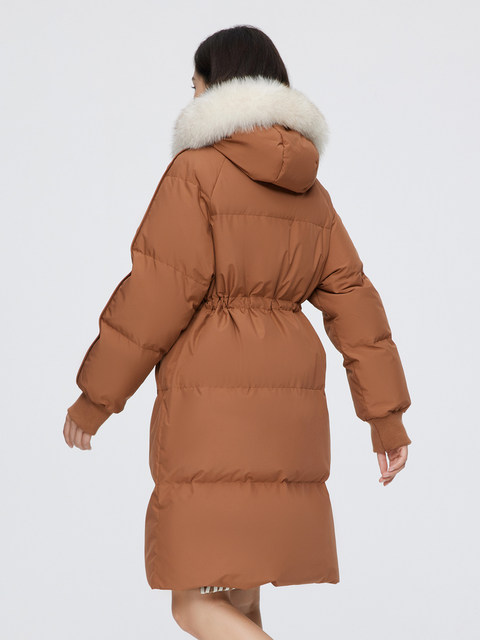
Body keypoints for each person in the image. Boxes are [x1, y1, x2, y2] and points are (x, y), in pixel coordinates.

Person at [63, 25, 412, 640]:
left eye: (195, 84)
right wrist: (385, 418)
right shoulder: (312, 193)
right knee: (241, 605)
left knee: (193, 605)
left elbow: (157, 293)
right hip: (289, 409)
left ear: (217, 86)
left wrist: (95, 398)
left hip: (212, 405)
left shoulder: (196, 172)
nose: (191, 95)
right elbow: (355, 302)